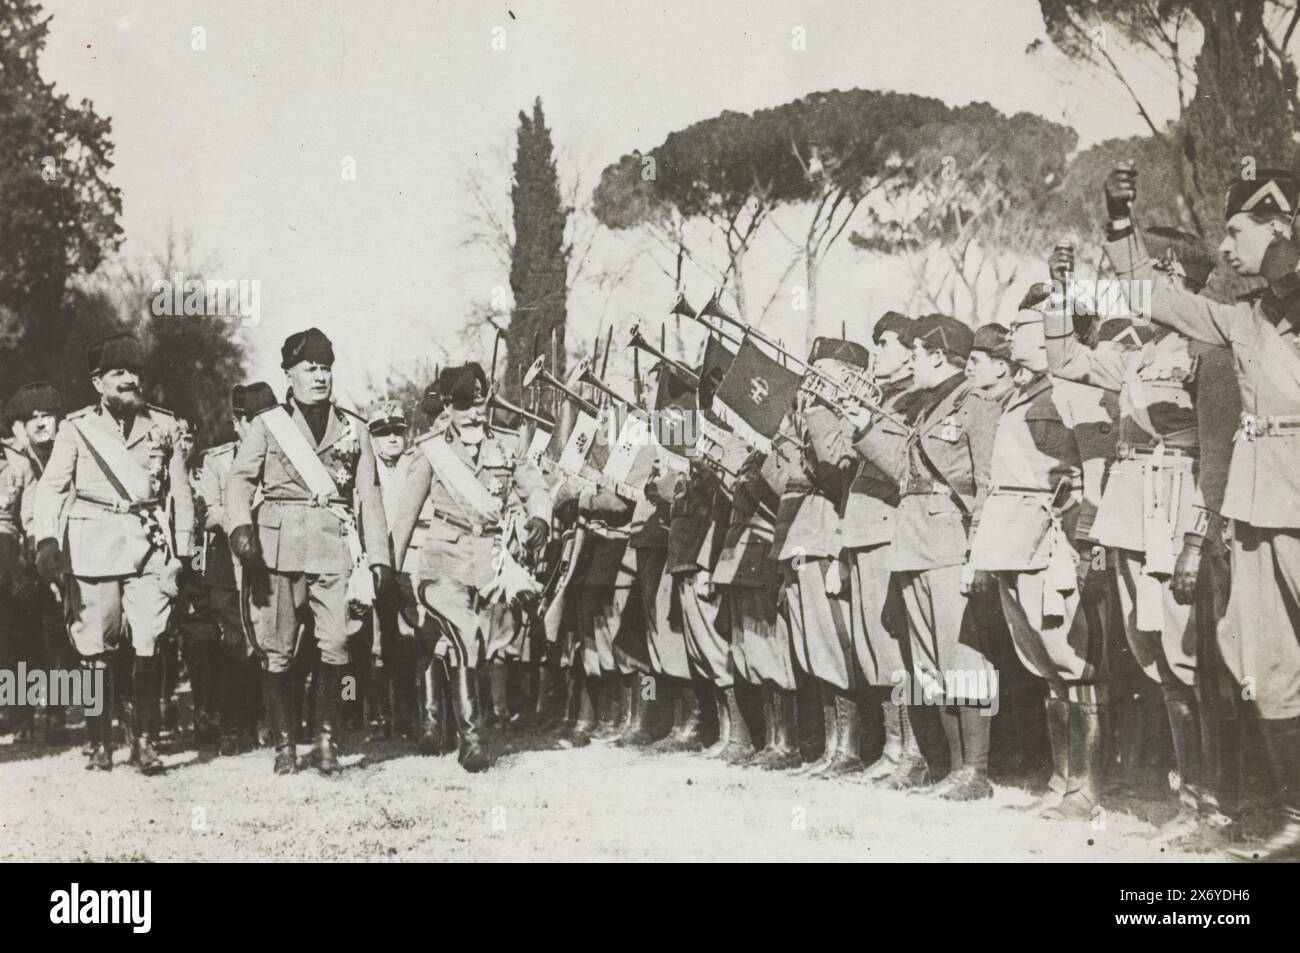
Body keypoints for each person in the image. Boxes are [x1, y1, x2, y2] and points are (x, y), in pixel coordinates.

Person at [1102, 164, 1300, 861]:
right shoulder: (1243, 316)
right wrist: (1121, 227)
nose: (1223, 246)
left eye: (1238, 230)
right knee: (1269, 667)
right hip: (1258, 506)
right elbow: (1153, 297)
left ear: (1281, 225)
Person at [1046, 228, 1242, 847]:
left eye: (1151, 270)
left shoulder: (1210, 348)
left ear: (1176, 278)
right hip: (1132, 509)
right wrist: (1058, 297)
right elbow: (1067, 360)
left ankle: (1214, 804)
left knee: (1189, 657)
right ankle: (1192, 794)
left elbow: (1216, 450)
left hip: (1177, 502)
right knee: (1152, 651)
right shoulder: (1141, 350)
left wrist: (1197, 532)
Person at [969, 289, 1113, 817]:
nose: (1012, 338)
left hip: (1056, 539)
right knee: (1044, 663)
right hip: (1012, 536)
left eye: (1025, 327)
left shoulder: (1078, 388)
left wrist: (1087, 545)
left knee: (1074, 660)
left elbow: (1097, 470)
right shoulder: (1021, 392)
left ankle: (1087, 788)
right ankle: (1061, 781)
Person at [224, 328, 393, 775]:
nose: (319, 377)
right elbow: (239, 479)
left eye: (325, 368)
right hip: (275, 547)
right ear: (289, 374)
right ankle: (285, 745)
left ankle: (326, 742)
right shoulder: (267, 424)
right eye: (309, 368)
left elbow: (370, 495)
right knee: (276, 648)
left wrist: (379, 559)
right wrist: (240, 527)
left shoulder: (354, 428)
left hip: (333, 545)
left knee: (337, 642)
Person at [848, 314, 1003, 799]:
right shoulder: (926, 408)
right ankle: (951, 770)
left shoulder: (973, 402)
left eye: (915, 354)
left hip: (950, 543)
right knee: (930, 665)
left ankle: (974, 772)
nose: (910, 362)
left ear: (937, 356)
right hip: (914, 541)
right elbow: (904, 474)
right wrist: (864, 430)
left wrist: (979, 547)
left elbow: (987, 480)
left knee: (963, 658)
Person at [33, 334, 195, 773]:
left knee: (150, 639)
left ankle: (144, 741)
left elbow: (179, 493)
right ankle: (101, 741)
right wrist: (46, 540)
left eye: (134, 371)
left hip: (149, 547)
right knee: (95, 649)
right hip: (93, 547)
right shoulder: (76, 428)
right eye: (118, 373)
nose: (129, 379)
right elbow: (50, 488)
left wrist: (183, 551)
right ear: (98, 382)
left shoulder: (163, 425)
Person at [389, 362, 550, 772]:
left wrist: (539, 519)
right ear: (447, 405)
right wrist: (386, 572)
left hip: (491, 562)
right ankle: (471, 741)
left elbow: (535, 489)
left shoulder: (510, 443)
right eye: (465, 405)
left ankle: (434, 717)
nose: (476, 413)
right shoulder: (431, 450)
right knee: (465, 634)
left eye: (481, 403)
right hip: (443, 557)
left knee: (464, 641)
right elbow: (406, 515)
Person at [197, 382, 277, 755]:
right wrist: (242, 520)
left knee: (271, 643)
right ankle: (231, 725)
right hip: (228, 567)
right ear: (237, 423)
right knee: (234, 646)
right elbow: (209, 512)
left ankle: (267, 719)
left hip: (270, 561)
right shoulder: (216, 461)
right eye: (253, 421)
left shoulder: (283, 457)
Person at [2, 382, 66, 743]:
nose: (42, 424)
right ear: (18, 425)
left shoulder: (69, 450)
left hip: (59, 553)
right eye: (33, 418)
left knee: (62, 634)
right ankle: (21, 716)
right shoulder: (13, 458)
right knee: (20, 637)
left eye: (48, 416)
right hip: (20, 562)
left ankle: (59, 713)